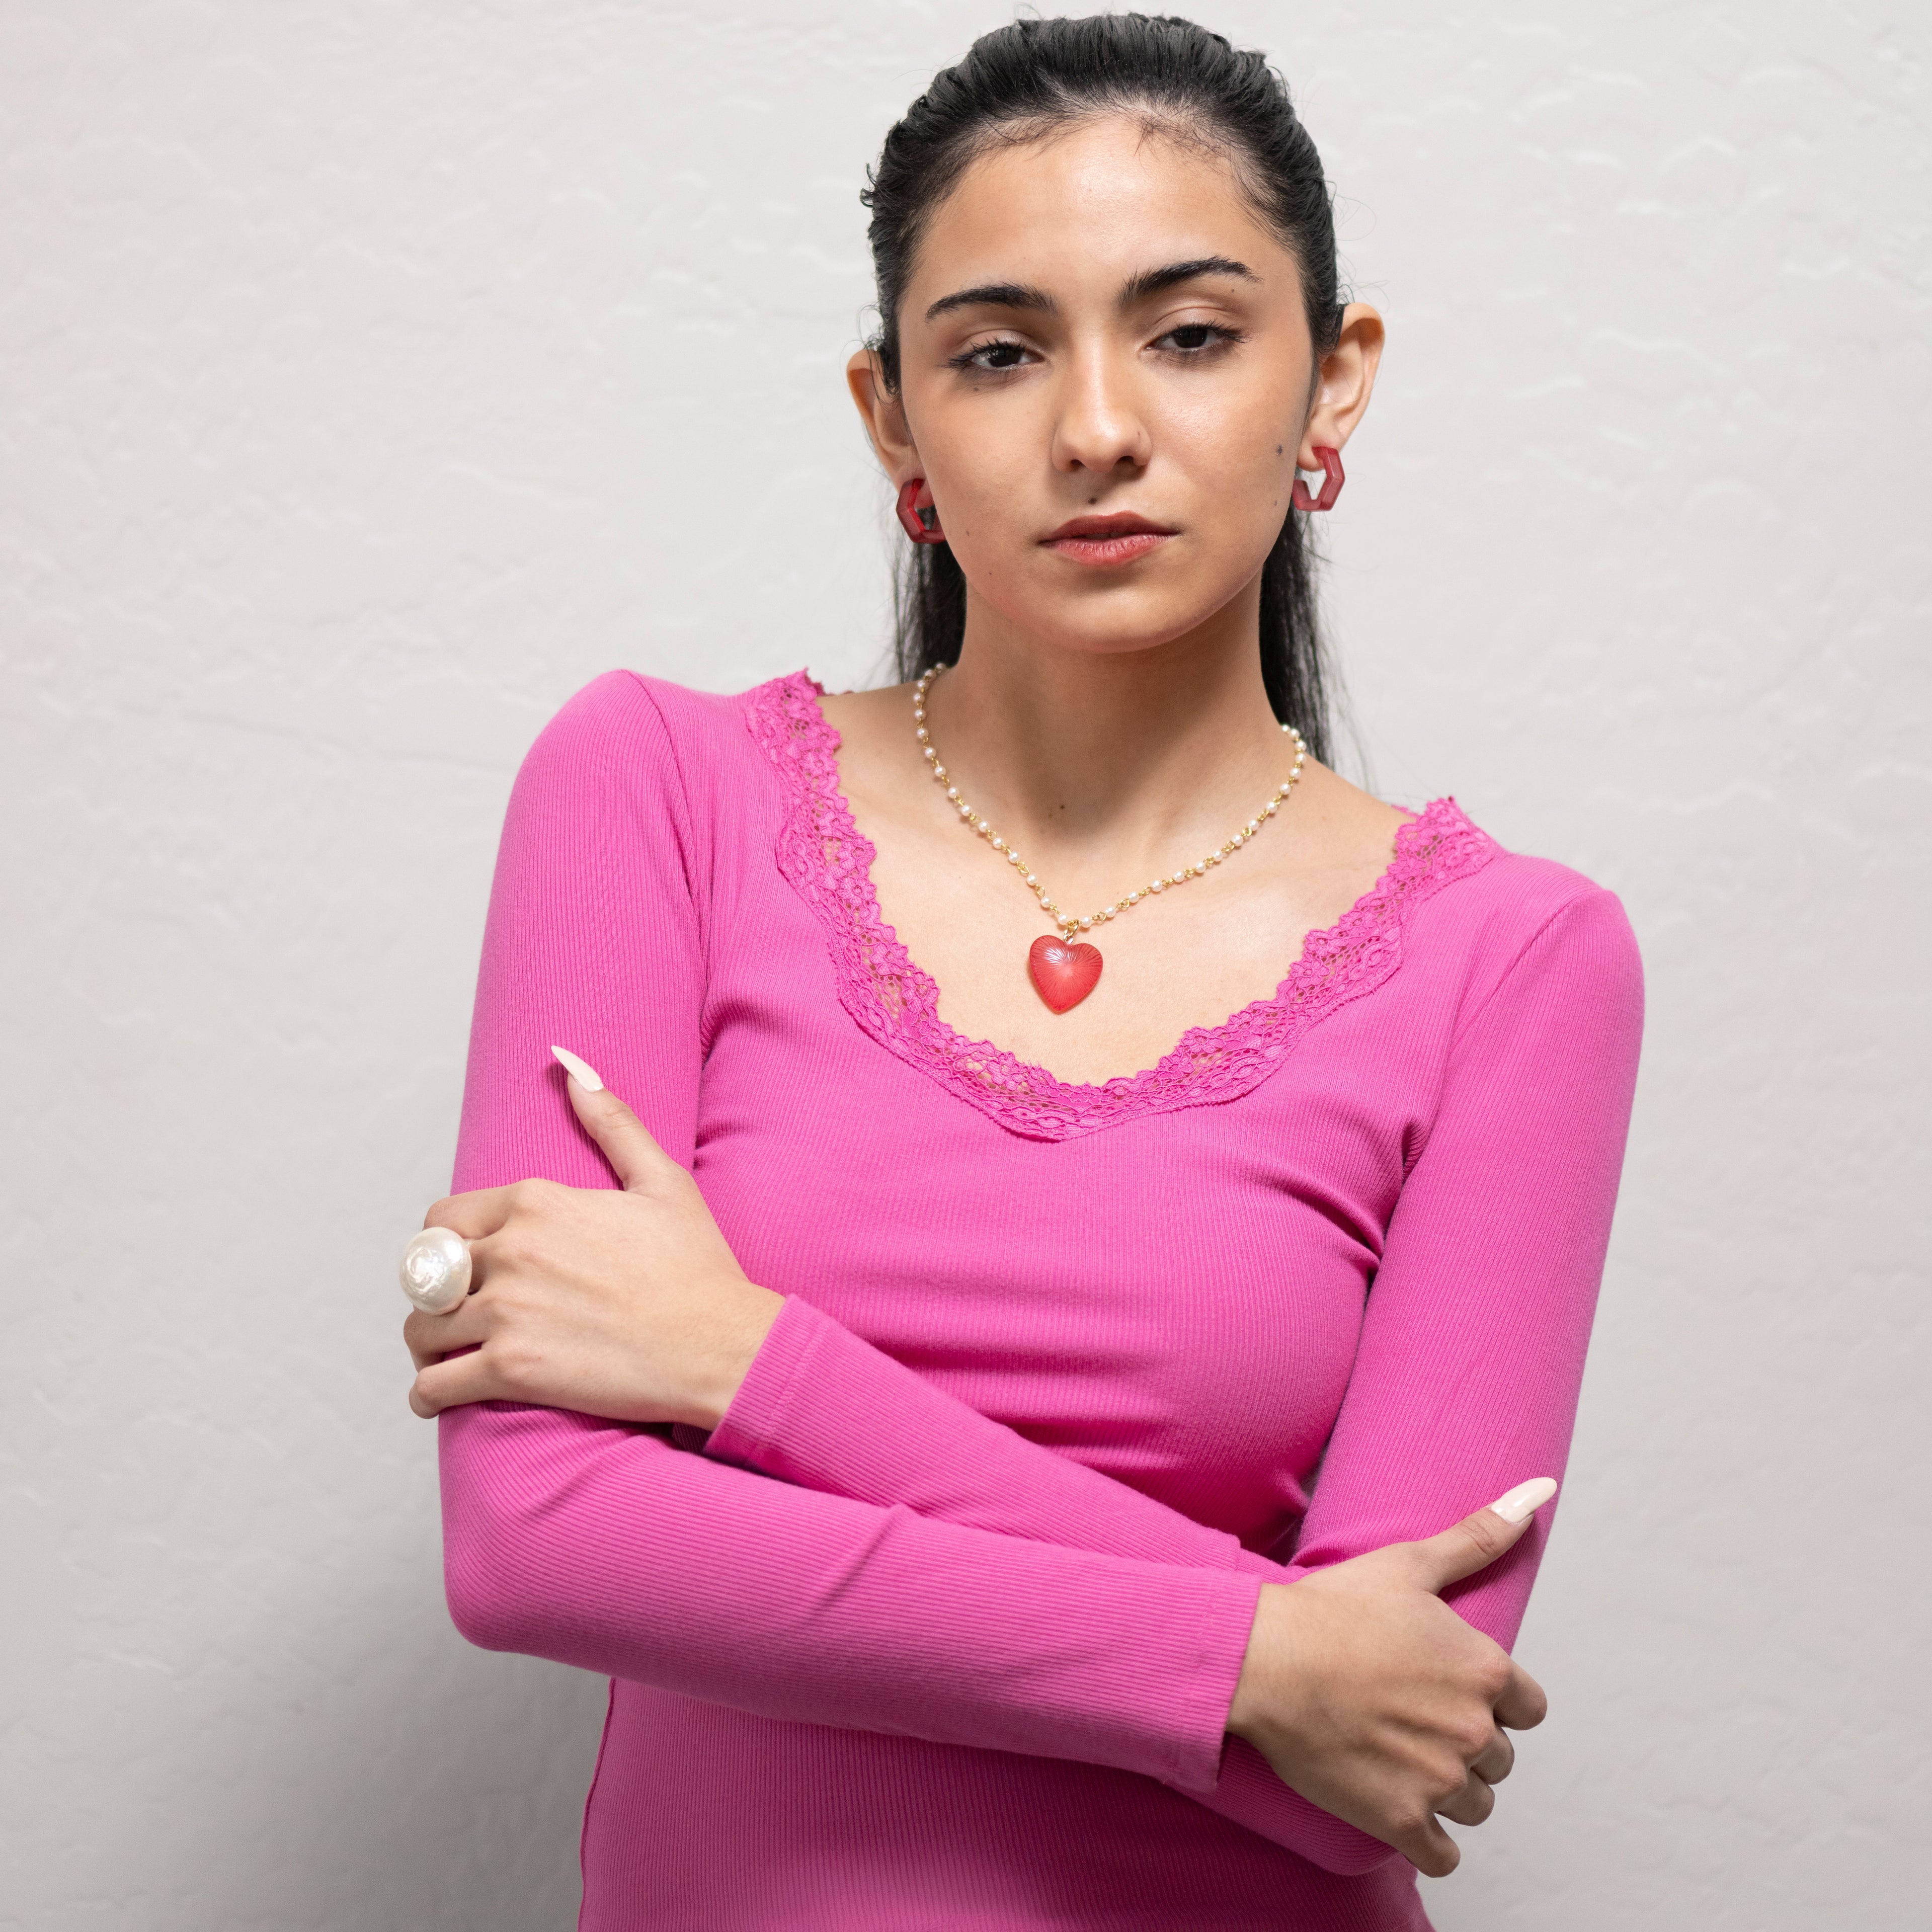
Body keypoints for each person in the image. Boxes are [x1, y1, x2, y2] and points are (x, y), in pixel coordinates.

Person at [398, 16, 1643, 1929]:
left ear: (1334, 379)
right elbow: (540, 1541)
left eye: (1192, 334)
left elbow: (1378, 1760)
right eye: (996, 352)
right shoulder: (658, 792)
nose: (1096, 429)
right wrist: (1262, 1654)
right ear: (893, 417)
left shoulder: (1518, 959)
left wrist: (750, 1369)